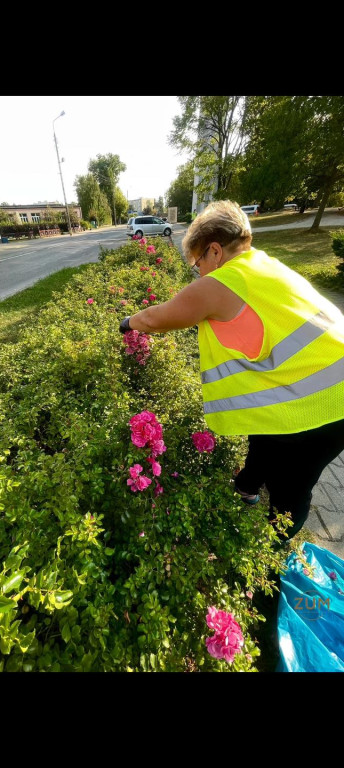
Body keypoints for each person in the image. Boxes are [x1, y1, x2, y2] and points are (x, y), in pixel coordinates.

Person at [119, 200, 344, 541]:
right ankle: (247, 486)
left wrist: (127, 322)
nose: (198, 273)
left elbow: (156, 318)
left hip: (326, 402)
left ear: (214, 251)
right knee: (264, 429)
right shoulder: (264, 265)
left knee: (291, 488)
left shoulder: (226, 280)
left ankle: (272, 554)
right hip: (320, 382)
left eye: (197, 264)